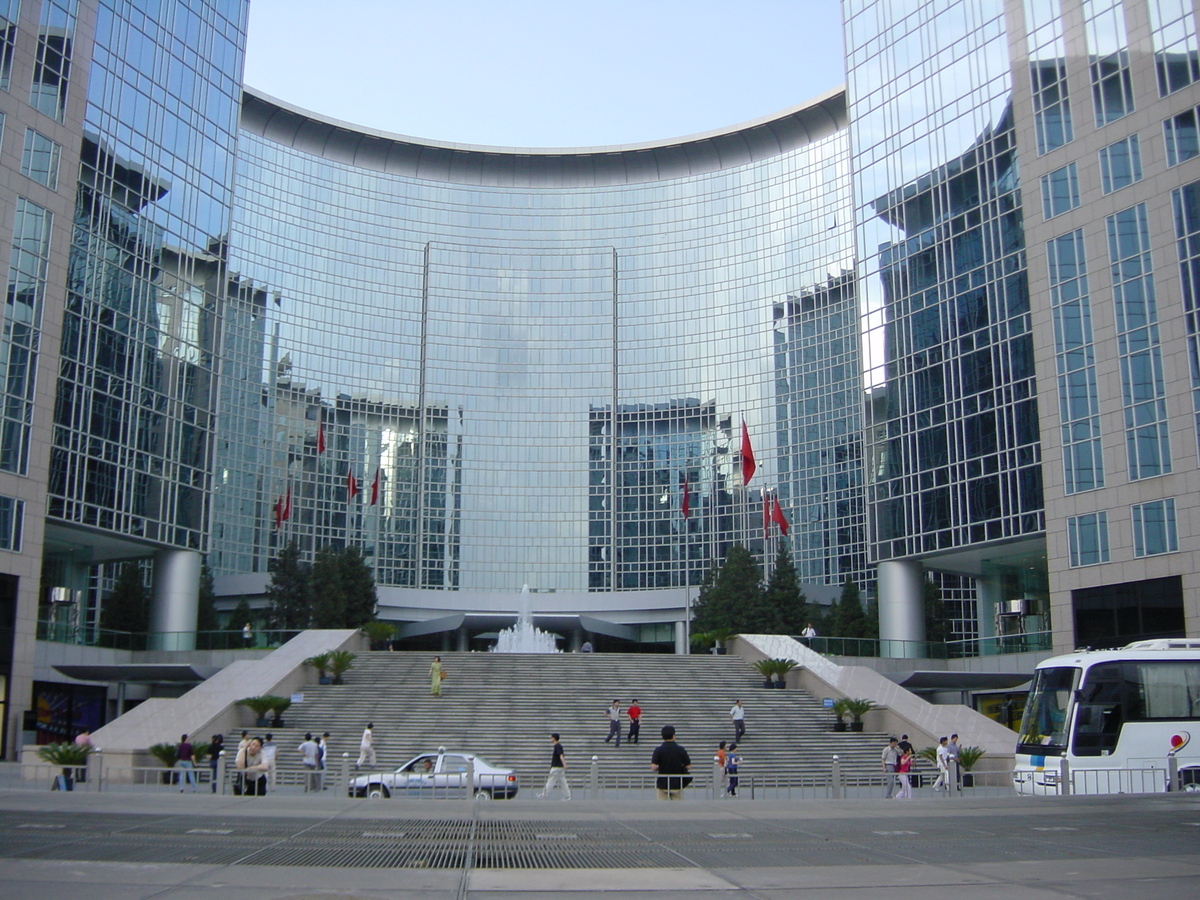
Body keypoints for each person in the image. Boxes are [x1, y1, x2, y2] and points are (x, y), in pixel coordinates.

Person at [650, 724, 691, 800]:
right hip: (677, 783)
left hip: (662, 783)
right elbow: (689, 766)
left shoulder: (658, 750)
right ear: (673, 736)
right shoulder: (680, 749)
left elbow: (653, 767)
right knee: (678, 808)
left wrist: (660, 767)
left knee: (661, 808)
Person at [537, 732, 571, 800]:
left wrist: (564, 764)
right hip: (559, 767)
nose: (550, 739)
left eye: (551, 737)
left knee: (551, 781)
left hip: (556, 767)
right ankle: (568, 796)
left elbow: (561, 755)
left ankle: (544, 794)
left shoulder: (557, 746)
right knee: (563, 782)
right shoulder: (558, 746)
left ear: (554, 738)